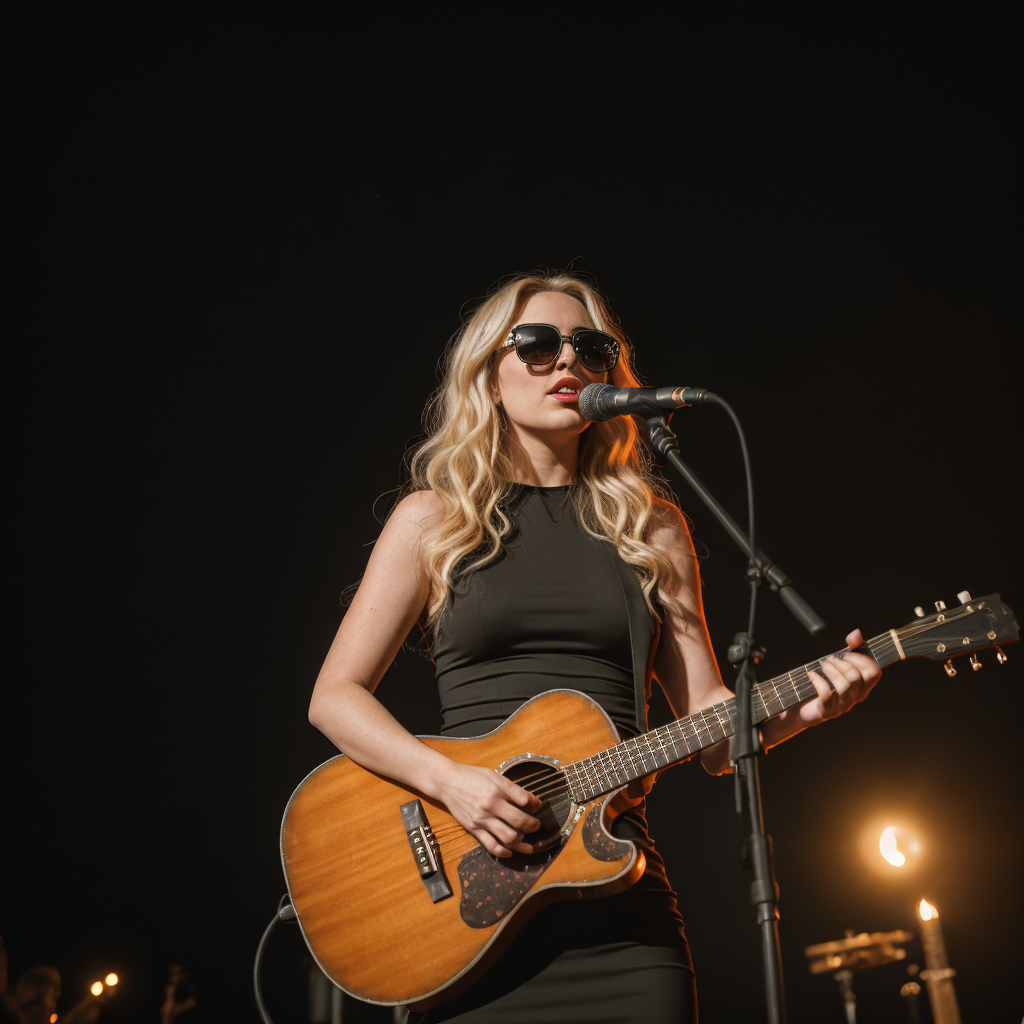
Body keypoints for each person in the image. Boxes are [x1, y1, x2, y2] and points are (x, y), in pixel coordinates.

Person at [308, 272, 882, 1023]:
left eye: (590, 348)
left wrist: (812, 709)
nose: (567, 363)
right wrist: (450, 783)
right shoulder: (432, 521)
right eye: (538, 345)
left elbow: (711, 728)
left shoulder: (653, 530)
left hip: (619, 920)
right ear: (487, 371)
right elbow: (334, 697)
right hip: (463, 918)